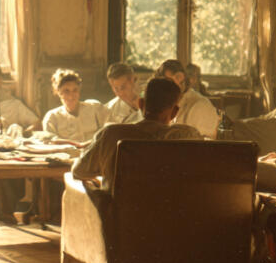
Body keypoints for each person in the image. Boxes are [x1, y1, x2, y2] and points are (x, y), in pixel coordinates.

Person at [72, 77, 203, 188]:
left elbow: (78, 171)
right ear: (175, 112)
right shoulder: (187, 136)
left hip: (121, 209)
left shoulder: (111, 134)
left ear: (141, 104)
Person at [155, 58, 220, 138]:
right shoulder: (161, 104)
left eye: (181, 83)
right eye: (169, 84)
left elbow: (208, 141)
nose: (176, 88)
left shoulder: (200, 106)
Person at [42, 69, 108, 143]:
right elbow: (50, 142)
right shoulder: (52, 117)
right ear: (58, 92)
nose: (71, 96)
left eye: (75, 90)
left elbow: (109, 131)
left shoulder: (95, 108)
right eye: (66, 91)